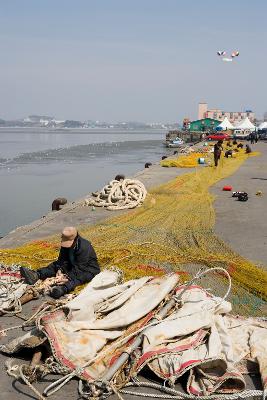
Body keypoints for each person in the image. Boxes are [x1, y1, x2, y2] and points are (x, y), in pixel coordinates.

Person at [20, 227, 100, 299]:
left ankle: (62, 289)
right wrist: (59, 269)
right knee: (54, 265)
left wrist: (67, 277)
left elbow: (80, 268)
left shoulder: (84, 247)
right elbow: (61, 259)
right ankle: (36, 274)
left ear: (75, 239)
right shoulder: (65, 245)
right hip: (71, 264)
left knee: (80, 278)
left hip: (87, 268)